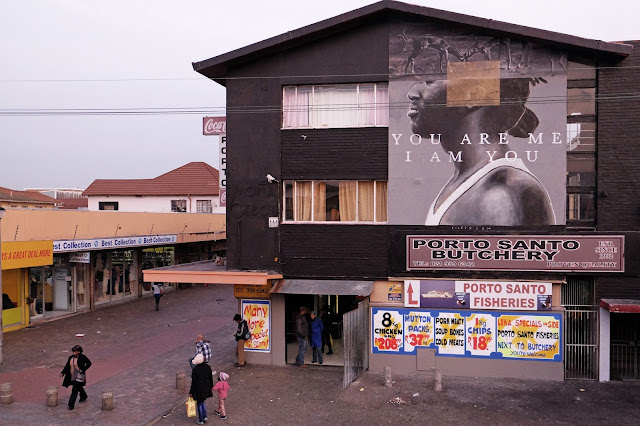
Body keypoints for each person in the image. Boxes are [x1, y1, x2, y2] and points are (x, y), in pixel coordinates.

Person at [406, 77, 555, 226]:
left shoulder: (502, 195)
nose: (411, 93)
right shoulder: (469, 180)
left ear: (472, 95)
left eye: (429, 81)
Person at [60, 345, 92, 410]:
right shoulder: (71, 358)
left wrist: (82, 369)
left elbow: (89, 363)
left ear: (79, 352)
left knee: (74, 390)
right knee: (79, 387)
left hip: (79, 376)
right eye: (73, 351)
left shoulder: (82, 357)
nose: (74, 353)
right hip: (72, 376)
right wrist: (63, 372)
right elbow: (67, 366)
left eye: (75, 351)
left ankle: (71, 404)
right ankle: (83, 395)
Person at [189, 353, 214, 425]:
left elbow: (193, 382)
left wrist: (191, 391)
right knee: (203, 402)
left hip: (198, 388)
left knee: (199, 403)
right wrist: (211, 386)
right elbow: (210, 378)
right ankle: (205, 416)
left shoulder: (195, 370)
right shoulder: (208, 367)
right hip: (206, 387)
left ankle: (201, 419)